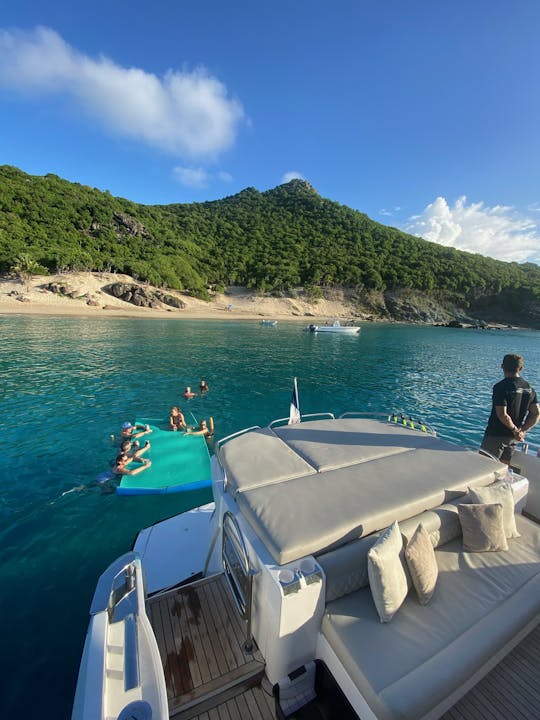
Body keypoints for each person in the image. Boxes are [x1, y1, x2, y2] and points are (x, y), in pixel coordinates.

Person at [480, 354, 539, 465]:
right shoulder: (529, 388)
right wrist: (522, 431)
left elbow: (502, 414)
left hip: (496, 436)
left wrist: (514, 430)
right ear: (521, 368)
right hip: (513, 439)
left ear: (502, 366)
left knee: (484, 467)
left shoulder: (501, 387)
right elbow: (536, 413)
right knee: (503, 468)